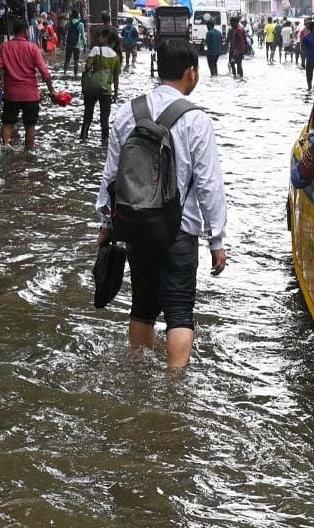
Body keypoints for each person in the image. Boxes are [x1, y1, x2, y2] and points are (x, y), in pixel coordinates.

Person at [94, 38, 230, 369]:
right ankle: (174, 386)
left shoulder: (128, 112)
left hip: (136, 226)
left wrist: (106, 224)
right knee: (179, 310)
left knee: (142, 307)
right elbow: (209, 185)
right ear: (191, 73)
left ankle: (139, 376)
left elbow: (111, 175)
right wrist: (216, 241)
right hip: (179, 230)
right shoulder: (196, 120)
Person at [0, 18, 56, 150]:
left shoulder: (5, 47)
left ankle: (5, 149)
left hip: (11, 95)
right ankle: (29, 153)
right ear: (26, 31)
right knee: (30, 126)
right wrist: (52, 91)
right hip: (30, 95)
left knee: (8, 123)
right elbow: (44, 72)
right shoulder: (33, 48)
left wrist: (5, 72)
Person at [80, 27, 121, 143]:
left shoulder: (96, 50)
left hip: (92, 88)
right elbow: (116, 77)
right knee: (104, 118)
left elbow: (87, 67)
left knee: (88, 115)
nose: (98, 39)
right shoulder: (115, 56)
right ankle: (104, 141)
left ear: (105, 38)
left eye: (100, 36)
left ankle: (83, 138)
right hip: (106, 90)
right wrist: (116, 93)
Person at [64, 10, 86, 74]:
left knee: (67, 60)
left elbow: (64, 30)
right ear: (77, 15)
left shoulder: (68, 23)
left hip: (69, 44)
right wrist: (84, 45)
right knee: (76, 62)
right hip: (77, 45)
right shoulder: (81, 24)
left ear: (72, 15)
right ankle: (75, 75)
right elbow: (83, 36)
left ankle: (64, 72)